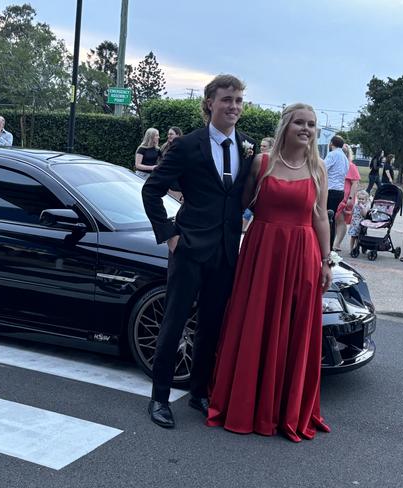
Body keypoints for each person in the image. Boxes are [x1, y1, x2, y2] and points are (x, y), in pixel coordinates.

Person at [207, 103, 332, 442]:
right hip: (262, 252)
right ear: (286, 126)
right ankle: (248, 404)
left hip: (302, 254)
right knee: (255, 324)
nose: (306, 129)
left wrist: (327, 260)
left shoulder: (317, 167)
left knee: (293, 329)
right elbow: (240, 204)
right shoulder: (262, 163)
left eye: (311, 124)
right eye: (299, 123)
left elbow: (320, 216)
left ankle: (283, 411)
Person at [142, 74, 256, 429]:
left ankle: (198, 391)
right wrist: (171, 237)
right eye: (226, 99)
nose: (233, 106)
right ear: (210, 103)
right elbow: (152, 190)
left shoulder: (247, 148)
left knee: (212, 324)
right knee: (174, 322)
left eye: (238, 100)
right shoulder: (188, 145)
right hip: (189, 249)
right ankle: (159, 397)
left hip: (225, 251)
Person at [242, 137, 274, 232]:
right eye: (261, 146)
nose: (261, 148)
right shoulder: (258, 159)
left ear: (271, 147)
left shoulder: (274, 162)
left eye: (264, 146)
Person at [333, 144, 361, 251]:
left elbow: (355, 183)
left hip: (346, 197)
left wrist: (350, 198)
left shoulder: (351, 166)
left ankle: (336, 243)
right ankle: (334, 242)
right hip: (335, 194)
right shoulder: (335, 165)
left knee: (340, 220)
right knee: (335, 220)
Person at [324, 135, 349, 248]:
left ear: (331, 143)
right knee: (332, 219)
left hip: (330, 189)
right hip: (340, 190)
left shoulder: (332, 154)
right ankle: (330, 245)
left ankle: (324, 244)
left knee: (324, 217)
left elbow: (323, 168)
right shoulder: (344, 157)